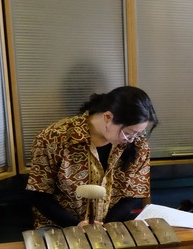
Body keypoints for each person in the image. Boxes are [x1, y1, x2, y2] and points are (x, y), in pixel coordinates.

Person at [26, 85, 157, 228]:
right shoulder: (54, 138)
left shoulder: (138, 144)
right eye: (129, 133)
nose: (132, 139)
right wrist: (75, 224)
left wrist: (105, 226)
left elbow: (132, 195)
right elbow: (38, 194)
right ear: (107, 117)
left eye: (139, 133)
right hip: (60, 224)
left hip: (113, 223)